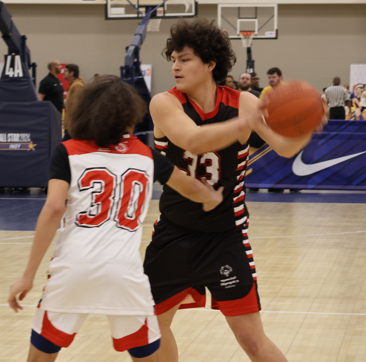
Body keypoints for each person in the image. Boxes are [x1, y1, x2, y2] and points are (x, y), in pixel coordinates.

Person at [143, 19, 326, 362]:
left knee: (252, 340)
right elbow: (193, 140)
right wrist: (251, 122)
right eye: (174, 59)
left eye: (185, 59)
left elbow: (285, 148)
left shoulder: (242, 102)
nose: (175, 66)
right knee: (151, 328)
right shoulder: (164, 104)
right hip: (173, 234)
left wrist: (308, 123)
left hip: (225, 236)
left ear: (210, 64)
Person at [8, 75, 224, 362]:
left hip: (73, 268)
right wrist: (213, 197)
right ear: (130, 114)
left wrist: (27, 276)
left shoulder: (68, 151)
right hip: (124, 272)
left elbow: (53, 208)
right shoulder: (145, 154)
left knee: (40, 357)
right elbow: (193, 188)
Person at [238, 73, 264, 149]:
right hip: (237, 130)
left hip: (253, 132)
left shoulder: (258, 95)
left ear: (250, 82)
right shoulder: (232, 94)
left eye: (247, 79)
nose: (244, 80)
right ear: (239, 80)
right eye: (242, 78)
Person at [63, 64, 85, 141]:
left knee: (62, 149)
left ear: (71, 73)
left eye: (65, 71)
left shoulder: (77, 85)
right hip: (70, 126)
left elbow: (77, 106)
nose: (63, 72)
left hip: (72, 127)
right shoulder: (72, 85)